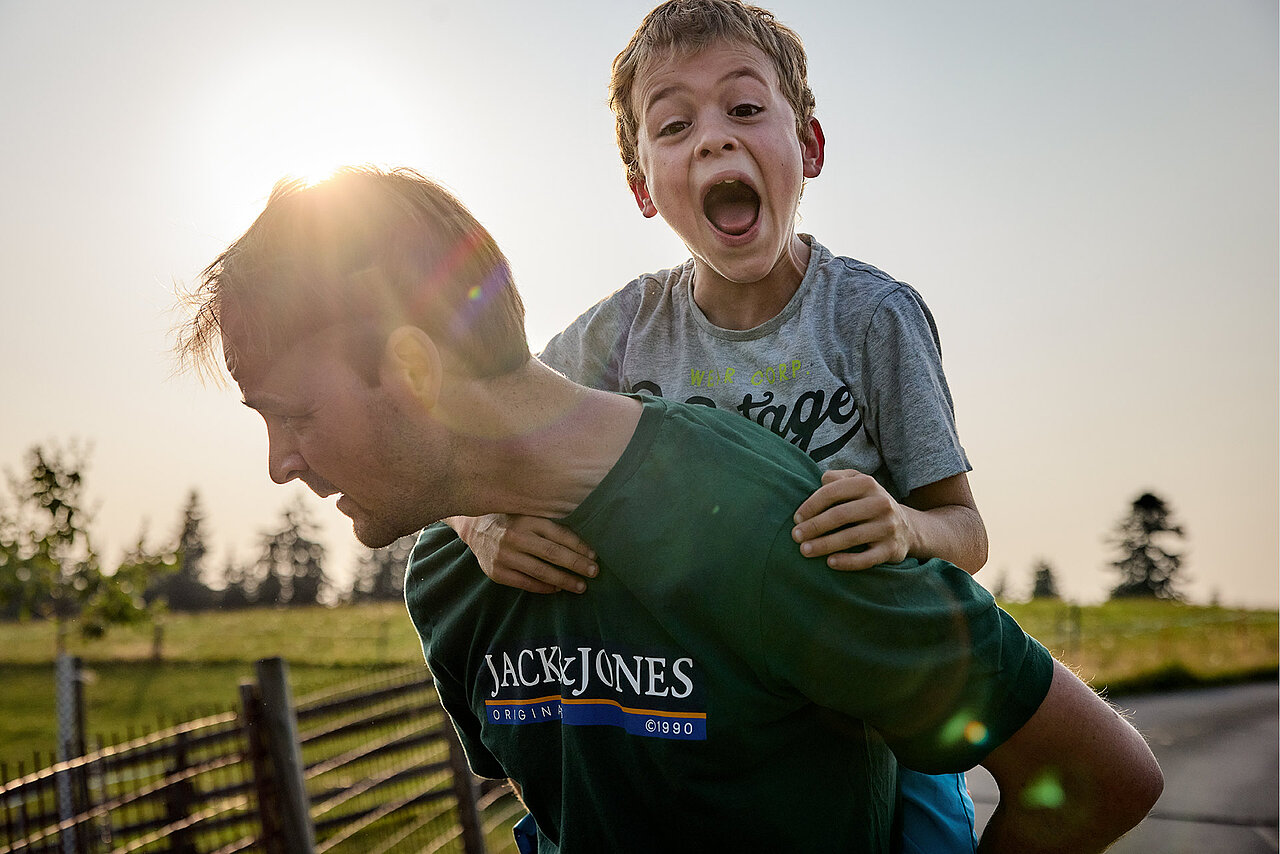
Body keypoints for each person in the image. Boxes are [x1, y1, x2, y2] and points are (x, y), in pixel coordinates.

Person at [178, 167, 1161, 853]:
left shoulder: (766, 529)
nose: (280, 463)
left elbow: (1095, 772)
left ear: (411, 367)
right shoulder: (447, 578)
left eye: (294, 413)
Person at [444, 1, 985, 848]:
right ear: (642, 189)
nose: (713, 140)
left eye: (743, 109)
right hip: (693, 713)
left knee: (926, 838)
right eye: (673, 124)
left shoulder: (873, 319)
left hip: (864, 704)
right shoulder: (617, 335)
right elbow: (463, 438)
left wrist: (907, 525)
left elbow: (967, 531)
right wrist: (481, 523)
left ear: (807, 146)